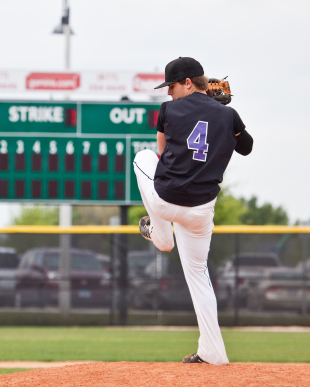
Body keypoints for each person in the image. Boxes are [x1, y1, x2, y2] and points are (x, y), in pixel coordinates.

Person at [133, 57, 253, 365]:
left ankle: (161, 236)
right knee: (199, 275)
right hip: (201, 211)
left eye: (171, 86)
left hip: (166, 199)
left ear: (188, 82)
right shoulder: (228, 115)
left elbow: (162, 153)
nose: (168, 94)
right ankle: (214, 353)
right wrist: (224, 114)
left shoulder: (169, 110)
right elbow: (247, 147)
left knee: (143, 158)